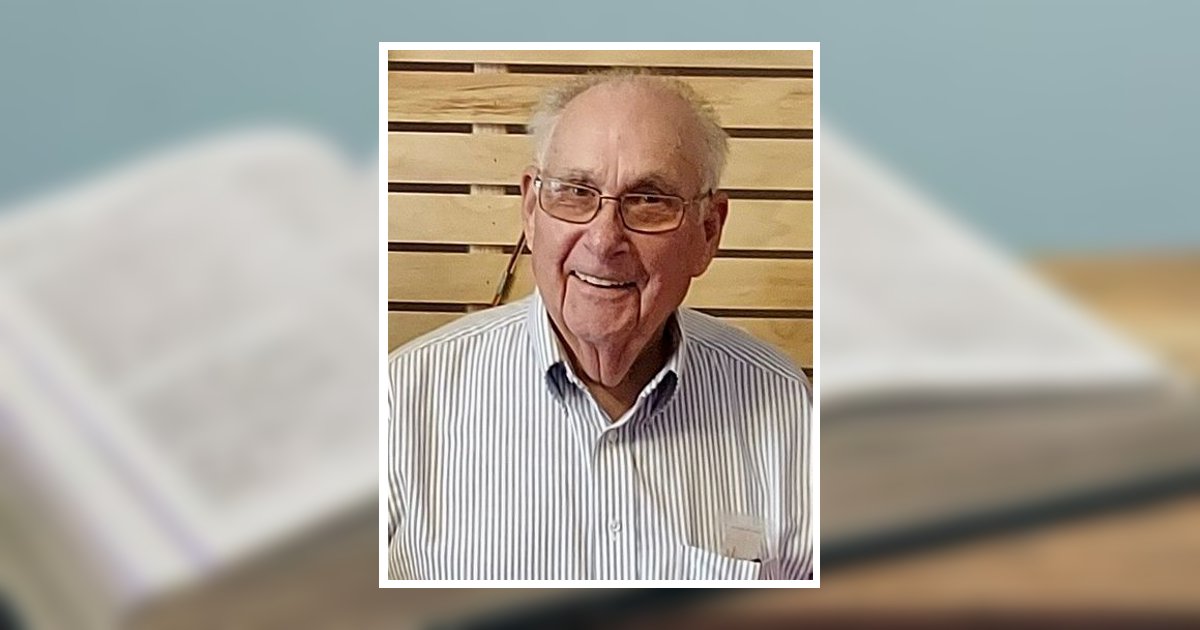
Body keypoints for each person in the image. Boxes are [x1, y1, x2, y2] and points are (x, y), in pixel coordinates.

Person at [387, 71, 812, 580]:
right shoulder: (402, 402)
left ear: (708, 232)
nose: (603, 240)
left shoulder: (785, 407)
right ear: (531, 209)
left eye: (649, 200)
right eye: (575, 192)